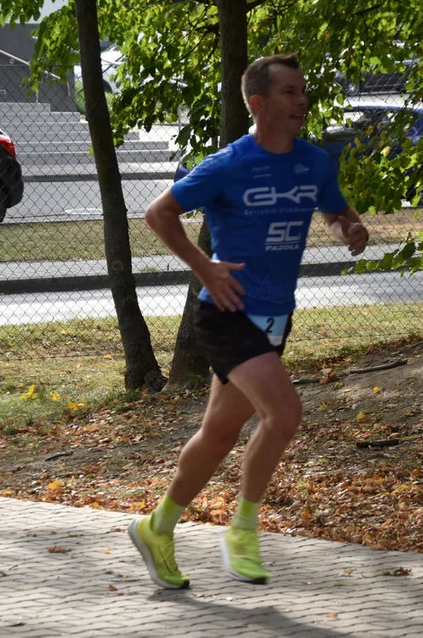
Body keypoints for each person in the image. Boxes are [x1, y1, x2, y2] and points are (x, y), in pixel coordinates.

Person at [130, 54, 369, 589]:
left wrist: (350, 231)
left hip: (276, 316)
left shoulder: (314, 163)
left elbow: (336, 214)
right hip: (228, 311)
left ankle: (156, 526)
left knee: (217, 434)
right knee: (284, 415)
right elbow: (158, 214)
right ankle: (242, 529)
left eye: (303, 91)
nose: (301, 101)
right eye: (289, 92)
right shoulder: (228, 164)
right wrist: (204, 267)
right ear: (258, 104)